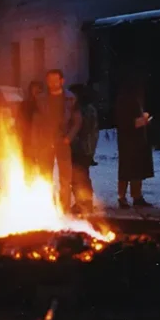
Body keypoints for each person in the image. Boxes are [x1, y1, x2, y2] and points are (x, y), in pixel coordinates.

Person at [33, 69, 82, 212]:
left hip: (63, 142)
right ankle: (48, 208)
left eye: (55, 80)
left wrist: (69, 138)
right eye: (49, 80)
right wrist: (36, 141)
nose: (52, 83)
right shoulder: (40, 99)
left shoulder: (70, 99)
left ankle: (64, 209)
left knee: (65, 179)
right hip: (45, 142)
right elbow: (36, 122)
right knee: (45, 177)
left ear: (62, 81)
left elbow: (77, 121)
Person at [114, 73, 154, 208]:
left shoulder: (136, 97)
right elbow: (124, 120)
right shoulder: (125, 98)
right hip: (128, 140)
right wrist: (139, 121)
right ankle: (122, 197)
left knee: (137, 169)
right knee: (127, 169)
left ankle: (136, 196)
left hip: (137, 140)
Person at [69, 84, 99, 214]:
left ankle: (85, 203)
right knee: (77, 176)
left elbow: (86, 129)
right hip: (83, 147)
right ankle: (82, 202)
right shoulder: (86, 109)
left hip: (81, 147)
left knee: (81, 176)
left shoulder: (84, 110)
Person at [17, 80, 44, 168]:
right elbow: (19, 120)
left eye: (39, 90)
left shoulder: (45, 105)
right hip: (27, 138)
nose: (37, 92)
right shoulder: (25, 104)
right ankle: (29, 179)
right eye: (34, 89)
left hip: (42, 138)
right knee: (28, 162)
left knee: (43, 163)